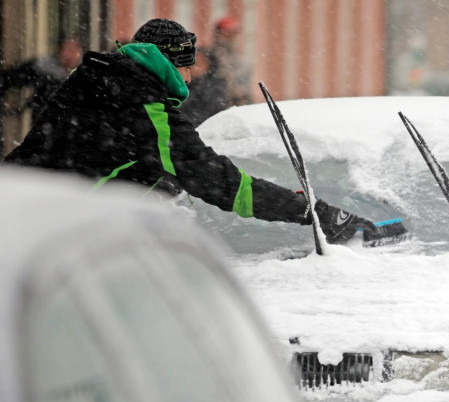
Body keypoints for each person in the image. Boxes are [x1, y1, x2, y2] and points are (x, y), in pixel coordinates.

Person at [3, 19, 373, 243]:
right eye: (186, 65)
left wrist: (153, 181)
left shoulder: (92, 79)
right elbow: (220, 182)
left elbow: (101, 157)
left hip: (17, 204)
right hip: (47, 236)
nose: (191, 76)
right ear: (166, 63)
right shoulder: (146, 107)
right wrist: (314, 213)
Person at [1, 38, 82, 120]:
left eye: (73, 52)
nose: (69, 55)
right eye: (68, 50)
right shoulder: (44, 66)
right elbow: (12, 77)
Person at [210, 16, 252, 107]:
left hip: (239, 104)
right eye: (227, 34)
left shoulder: (239, 58)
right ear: (218, 35)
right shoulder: (211, 56)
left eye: (233, 34)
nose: (231, 38)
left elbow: (245, 85)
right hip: (218, 104)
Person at [183, 47, 228, 127]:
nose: (194, 67)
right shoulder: (179, 86)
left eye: (199, 63)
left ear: (208, 65)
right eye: (191, 64)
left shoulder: (215, 87)